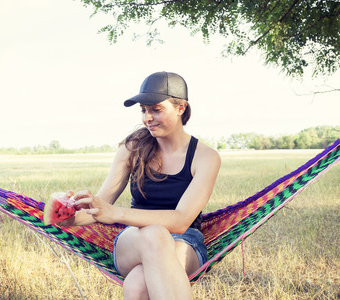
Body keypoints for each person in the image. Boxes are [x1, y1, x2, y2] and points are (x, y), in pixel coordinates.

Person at [58, 71, 221, 300]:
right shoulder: (133, 148)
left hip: (185, 242)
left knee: (137, 284)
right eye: (143, 110)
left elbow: (181, 220)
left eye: (156, 109)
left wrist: (116, 213)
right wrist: (69, 218)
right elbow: (100, 206)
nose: (147, 118)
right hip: (133, 240)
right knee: (153, 234)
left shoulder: (205, 157)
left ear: (181, 108)